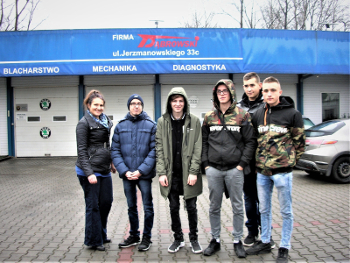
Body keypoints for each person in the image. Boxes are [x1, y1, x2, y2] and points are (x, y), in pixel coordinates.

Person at [246, 76, 305, 263]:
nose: (269, 94)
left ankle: (284, 246)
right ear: (262, 92)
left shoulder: (293, 114)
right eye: (266, 91)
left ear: (280, 92)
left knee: (286, 211)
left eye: (273, 90)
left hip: (282, 173)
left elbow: (300, 143)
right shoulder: (257, 114)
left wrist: (290, 163)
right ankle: (265, 241)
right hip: (262, 172)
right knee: (263, 209)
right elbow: (253, 139)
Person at [201, 79, 256, 258]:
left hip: (235, 169)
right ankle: (215, 240)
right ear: (215, 94)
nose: (222, 94)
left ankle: (237, 240)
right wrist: (206, 165)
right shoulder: (209, 117)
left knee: (238, 206)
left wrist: (241, 165)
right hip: (214, 169)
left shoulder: (243, 115)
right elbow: (203, 142)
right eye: (219, 91)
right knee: (214, 206)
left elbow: (250, 142)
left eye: (225, 91)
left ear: (231, 93)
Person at [156, 87, 203, 254]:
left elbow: (198, 147)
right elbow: (159, 148)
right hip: (171, 173)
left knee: (191, 207)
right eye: (174, 100)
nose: (177, 104)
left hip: (188, 173)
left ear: (185, 103)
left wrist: (193, 171)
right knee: (173, 207)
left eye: (180, 101)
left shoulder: (194, 121)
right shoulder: (162, 122)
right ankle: (178, 238)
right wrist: (161, 172)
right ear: (170, 102)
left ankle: (194, 239)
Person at [111, 94, 156, 251]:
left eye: (139, 103)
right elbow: (115, 151)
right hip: (127, 174)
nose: (136, 106)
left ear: (142, 106)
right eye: (133, 103)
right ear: (129, 106)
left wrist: (141, 170)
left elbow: (154, 151)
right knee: (131, 207)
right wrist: (124, 171)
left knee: (147, 206)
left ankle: (147, 237)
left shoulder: (151, 125)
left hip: (144, 175)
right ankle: (134, 235)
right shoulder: (120, 126)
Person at [237, 72, 275, 248]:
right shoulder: (238, 108)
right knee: (249, 199)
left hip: (264, 162)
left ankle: (266, 234)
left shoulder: (268, 105)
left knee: (264, 200)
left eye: (252, 85)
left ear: (259, 86)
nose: (249, 89)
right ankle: (252, 232)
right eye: (246, 86)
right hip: (246, 162)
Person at [75, 89, 116, 251]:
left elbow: (107, 145)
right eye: (95, 105)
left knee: (106, 202)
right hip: (89, 171)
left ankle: (101, 233)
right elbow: (82, 151)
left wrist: (111, 162)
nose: (99, 108)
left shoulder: (105, 121)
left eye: (101, 105)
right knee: (93, 206)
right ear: (88, 105)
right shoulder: (83, 124)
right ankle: (94, 240)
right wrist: (89, 173)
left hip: (104, 169)